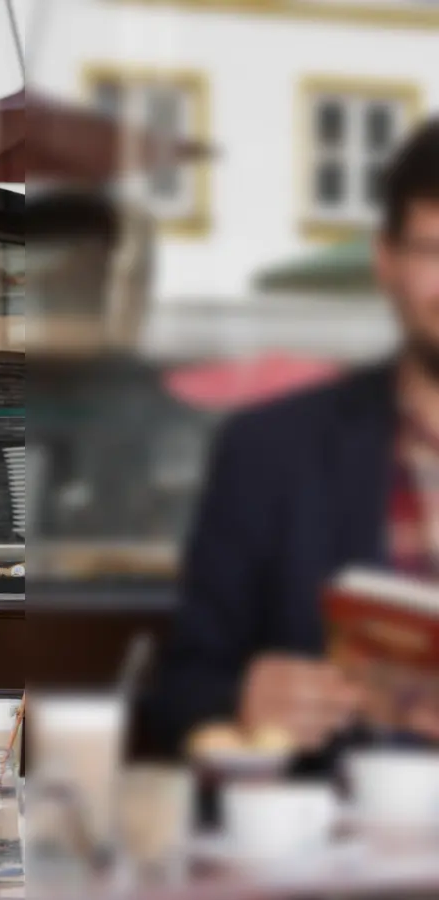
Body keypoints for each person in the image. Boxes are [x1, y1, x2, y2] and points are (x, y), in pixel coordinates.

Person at [146, 117, 439, 761]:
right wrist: (242, 700)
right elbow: (181, 691)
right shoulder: (269, 452)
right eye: (434, 249)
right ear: (385, 260)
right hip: (330, 844)